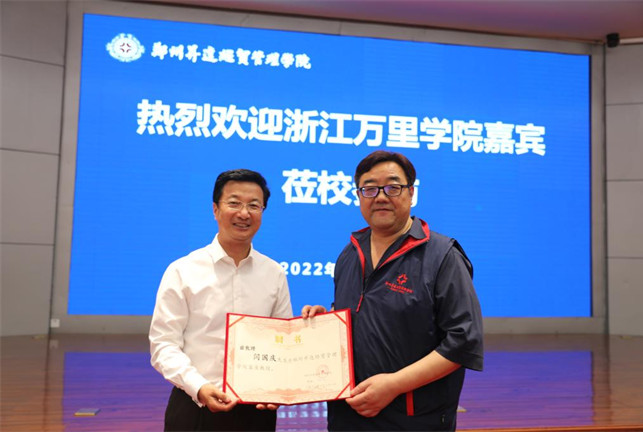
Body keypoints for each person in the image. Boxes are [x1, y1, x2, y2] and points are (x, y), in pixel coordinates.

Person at [303, 150, 483, 431]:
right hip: (348, 414)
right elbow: (362, 316)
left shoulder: (442, 256)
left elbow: (463, 341)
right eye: (369, 188)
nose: (380, 196)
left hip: (413, 418)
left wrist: (394, 385)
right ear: (359, 196)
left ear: (411, 193)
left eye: (392, 187)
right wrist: (326, 321)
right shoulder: (350, 253)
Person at [149, 169, 293, 431]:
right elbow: (163, 345)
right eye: (234, 203)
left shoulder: (274, 273)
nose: (244, 213)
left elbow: (282, 342)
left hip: (256, 411)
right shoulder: (183, 270)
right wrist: (199, 387)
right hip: (195, 406)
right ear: (215, 209)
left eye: (254, 205)